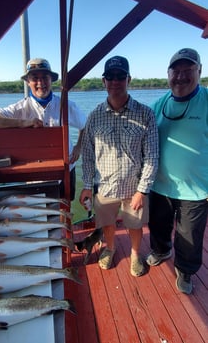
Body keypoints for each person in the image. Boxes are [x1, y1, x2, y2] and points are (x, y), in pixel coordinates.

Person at [79, 56, 159, 275]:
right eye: (110, 77)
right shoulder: (94, 116)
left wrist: (143, 190)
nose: (115, 81)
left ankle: (135, 254)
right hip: (104, 186)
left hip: (134, 187)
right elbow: (87, 155)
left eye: (120, 76)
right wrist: (87, 185)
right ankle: (110, 248)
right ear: (104, 81)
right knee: (107, 223)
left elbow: (152, 156)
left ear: (128, 79)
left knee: (135, 225)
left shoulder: (146, 114)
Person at [146, 48, 208, 294]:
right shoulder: (157, 105)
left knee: (189, 235)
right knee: (158, 224)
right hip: (160, 185)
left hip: (196, 188)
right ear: (168, 74)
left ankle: (185, 270)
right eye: (176, 70)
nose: (181, 76)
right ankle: (161, 250)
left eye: (188, 70)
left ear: (199, 72)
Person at [0, 58, 87, 200]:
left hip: (66, 170)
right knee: (39, 212)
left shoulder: (67, 105)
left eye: (45, 78)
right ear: (28, 82)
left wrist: (79, 146)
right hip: (36, 175)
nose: (40, 83)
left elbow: (87, 126)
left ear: (51, 80)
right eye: (35, 78)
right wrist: (23, 123)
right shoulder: (19, 108)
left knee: (65, 209)